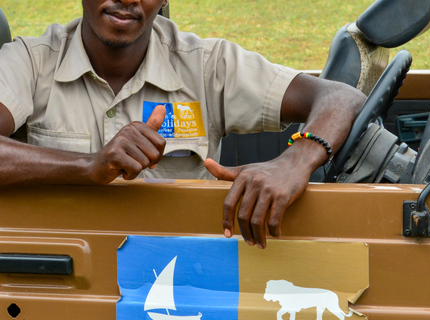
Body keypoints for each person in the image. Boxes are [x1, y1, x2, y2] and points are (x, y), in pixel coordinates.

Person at [0, 0, 365, 249]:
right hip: (65, 277)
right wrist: (88, 165)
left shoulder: (207, 65)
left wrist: (295, 161)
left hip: (182, 282)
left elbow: (340, 98)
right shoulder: (30, 61)